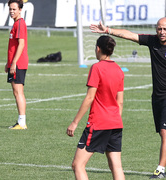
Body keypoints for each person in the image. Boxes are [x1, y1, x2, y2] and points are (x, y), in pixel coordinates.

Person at [90, 17, 166, 179]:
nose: (161, 32)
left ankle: (160, 169)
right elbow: (129, 35)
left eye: (165, 29)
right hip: (157, 95)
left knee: (165, 131)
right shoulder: (152, 41)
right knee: (164, 133)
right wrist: (108, 31)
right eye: (159, 29)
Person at [66, 35, 125, 180]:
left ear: (98, 49)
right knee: (116, 166)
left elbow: (90, 97)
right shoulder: (119, 70)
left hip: (98, 123)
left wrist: (74, 123)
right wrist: (114, 119)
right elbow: (120, 102)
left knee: (78, 165)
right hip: (116, 123)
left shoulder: (97, 68)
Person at [5, 0, 29, 130]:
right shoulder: (16, 23)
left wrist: (13, 63)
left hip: (18, 63)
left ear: (20, 10)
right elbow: (13, 46)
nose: (12, 11)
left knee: (18, 92)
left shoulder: (20, 24)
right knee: (16, 92)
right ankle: (21, 121)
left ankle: (22, 122)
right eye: (10, 9)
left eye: (14, 9)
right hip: (14, 63)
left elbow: (21, 44)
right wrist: (8, 63)